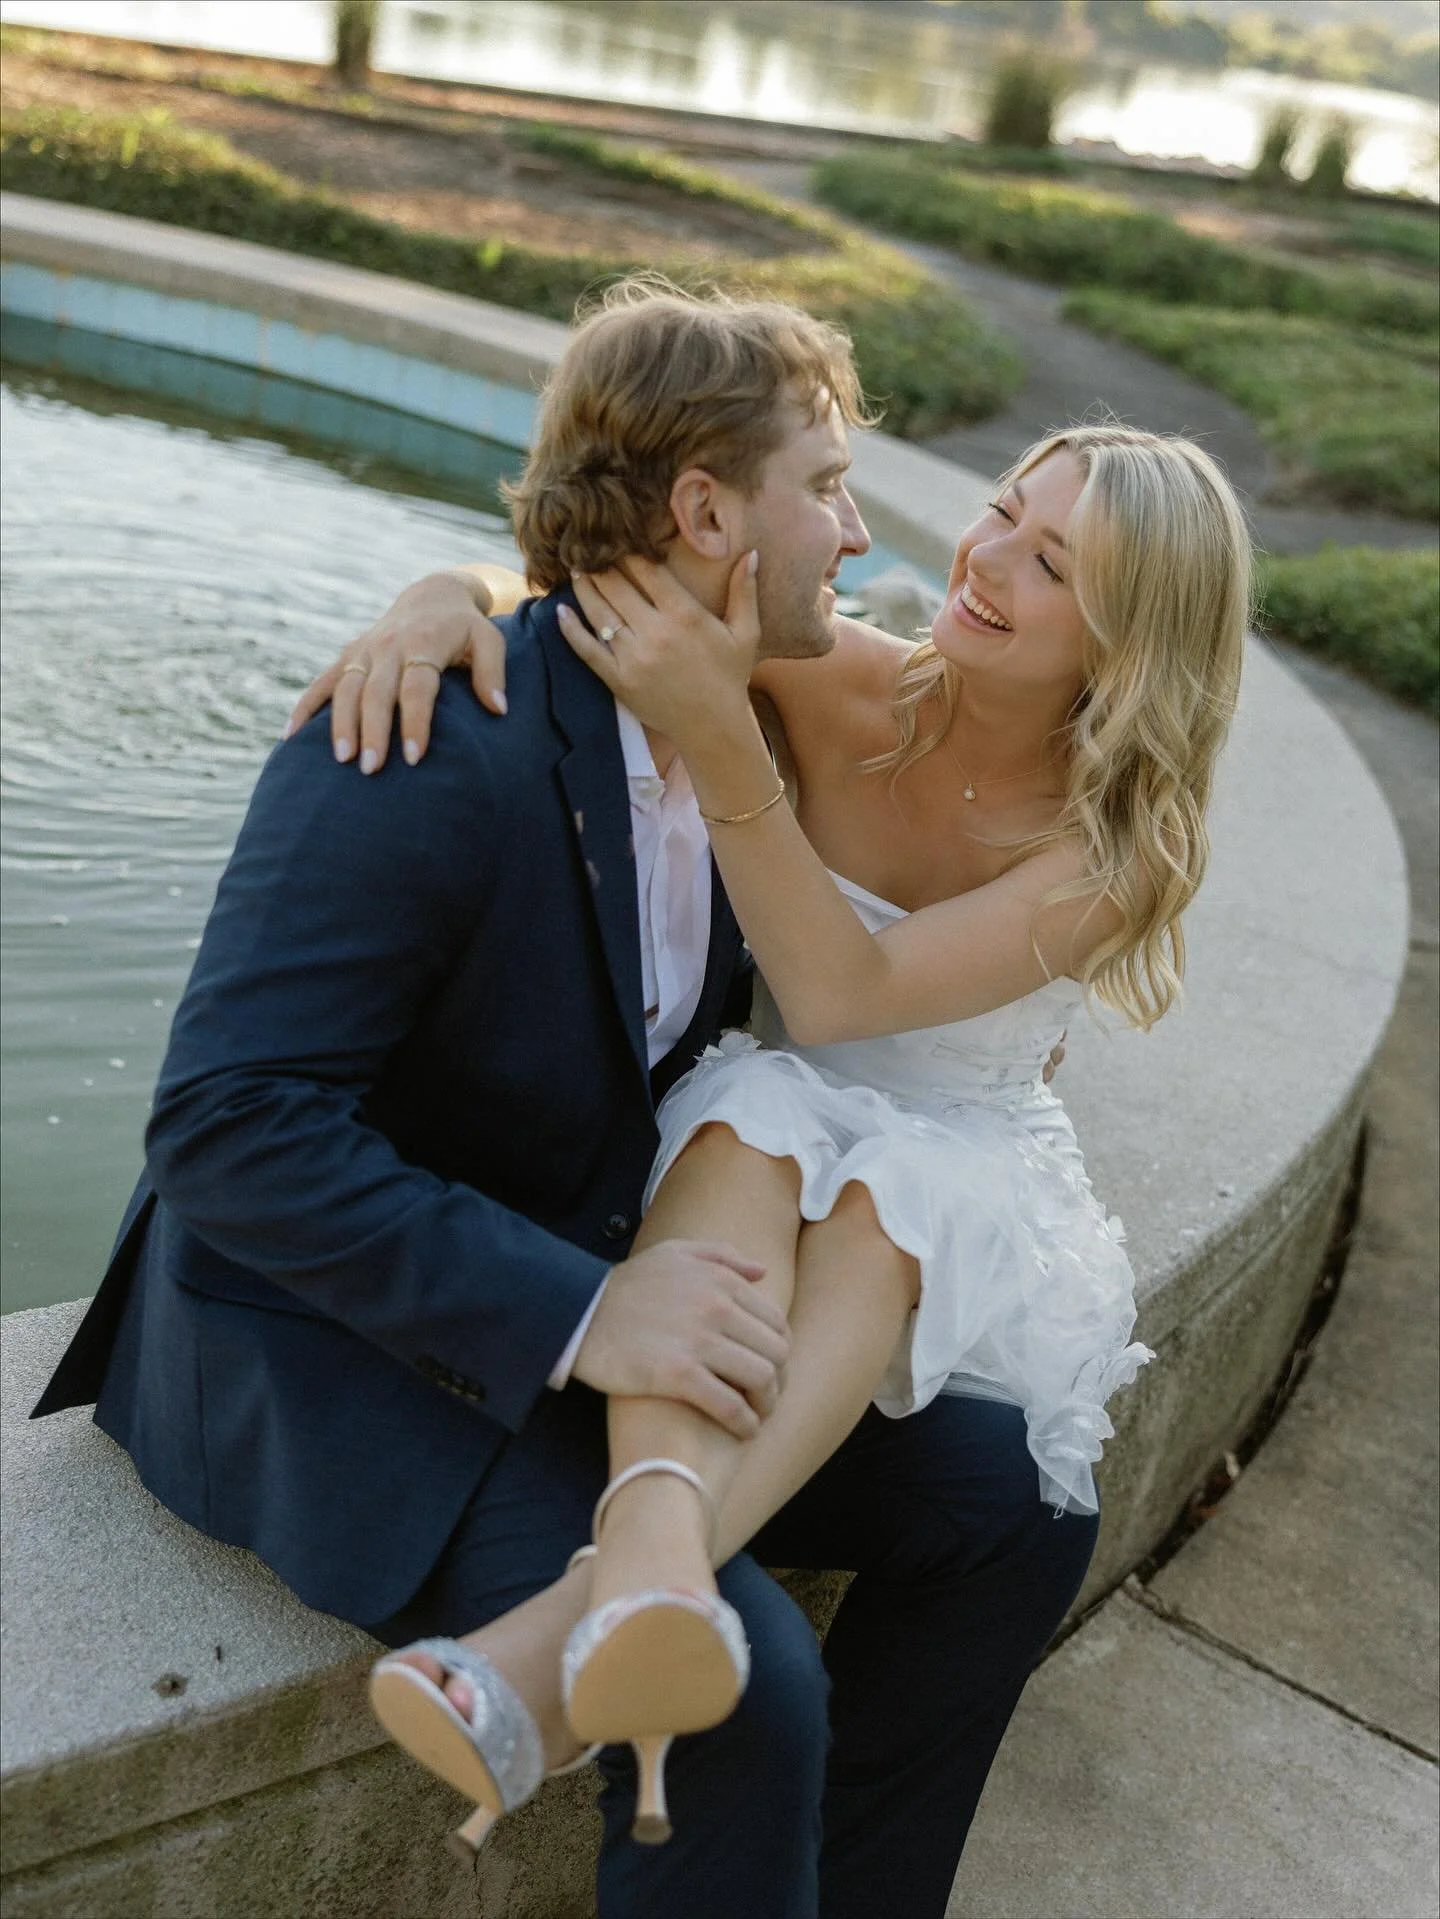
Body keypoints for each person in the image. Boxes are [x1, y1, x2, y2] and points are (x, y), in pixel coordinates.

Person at [29, 274, 1243, 1919]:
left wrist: (629, 1294)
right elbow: (223, 1127)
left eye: (1046, 554)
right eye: (828, 488)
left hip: (645, 1255)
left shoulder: (745, 696)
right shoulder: (429, 733)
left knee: (1015, 1502)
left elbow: (840, 971)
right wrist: (592, 1309)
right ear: (704, 510)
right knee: (748, 1686)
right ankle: (600, 1633)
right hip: (347, 1343)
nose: (879, 537)